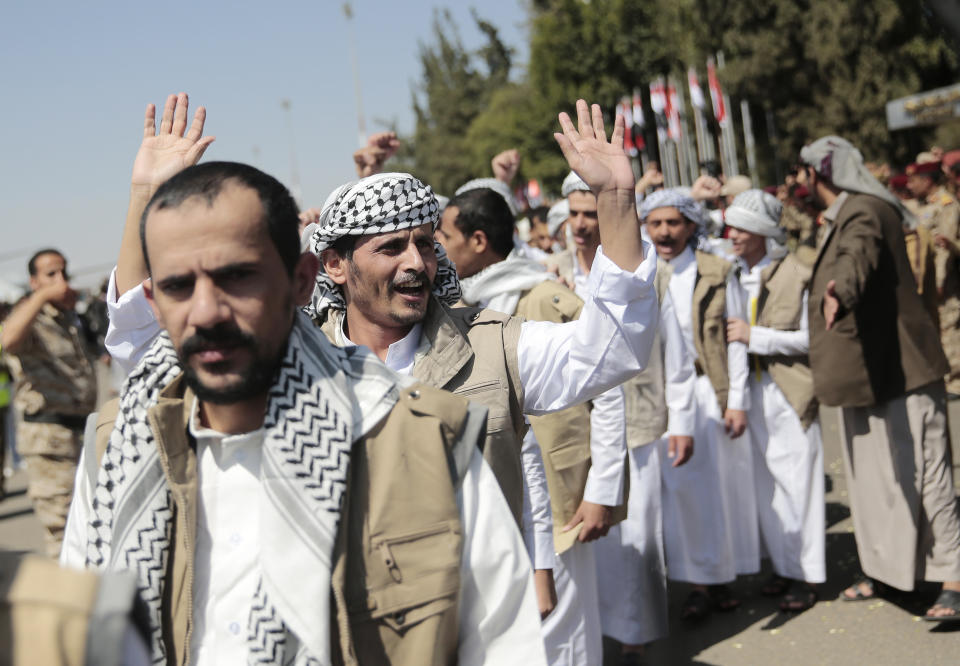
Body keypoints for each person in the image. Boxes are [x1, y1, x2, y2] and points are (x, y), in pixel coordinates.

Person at [62, 154, 547, 664]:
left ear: (301, 280)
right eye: (180, 285)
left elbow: (502, 645)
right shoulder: (116, 452)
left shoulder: (424, 441)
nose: (206, 311)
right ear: (154, 302)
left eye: (237, 276)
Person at [438, 183, 628, 666]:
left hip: (560, 492)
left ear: (478, 241)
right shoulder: (456, 309)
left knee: (564, 631)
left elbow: (606, 385)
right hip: (504, 494)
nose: (436, 248)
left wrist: (602, 488)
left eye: (442, 234)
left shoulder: (540, 297)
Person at [798, 135, 960, 622]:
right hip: (868, 371)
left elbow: (857, 256)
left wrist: (839, 291)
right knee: (875, 481)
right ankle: (888, 573)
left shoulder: (866, 209)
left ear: (816, 174)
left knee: (929, 474)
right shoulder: (854, 209)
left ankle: (953, 576)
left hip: (904, 368)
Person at [641, 188, 757, 621]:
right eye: (656, 224)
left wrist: (737, 401)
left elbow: (736, 342)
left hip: (710, 394)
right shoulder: (641, 272)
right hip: (662, 398)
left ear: (692, 226)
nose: (665, 232)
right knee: (679, 494)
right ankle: (699, 583)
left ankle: (718, 577)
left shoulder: (717, 271)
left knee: (713, 493)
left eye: (673, 223)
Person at [592, 225, 697, 661]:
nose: (581, 226)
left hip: (641, 424)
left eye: (590, 214)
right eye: (574, 215)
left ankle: (636, 637)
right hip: (584, 433)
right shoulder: (555, 279)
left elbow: (678, 356)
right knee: (597, 545)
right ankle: (598, 632)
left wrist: (683, 421)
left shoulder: (656, 278)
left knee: (638, 533)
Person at [723, 189, 825, 612]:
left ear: (763, 233)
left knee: (799, 484)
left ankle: (807, 575)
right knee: (766, 487)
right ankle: (783, 568)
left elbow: (811, 338)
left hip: (791, 392)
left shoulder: (796, 272)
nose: (732, 236)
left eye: (741, 229)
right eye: (730, 227)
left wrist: (755, 337)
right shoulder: (731, 274)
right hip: (754, 394)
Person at [0, 249, 97, 557]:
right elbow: (8, 340)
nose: (60, 280)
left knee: (89, 525)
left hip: (79, 433)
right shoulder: (31, 316)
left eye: (63, 273)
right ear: (34, 281)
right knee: (64, 533)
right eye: (50, 274)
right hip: (48, 439)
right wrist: (39, 298)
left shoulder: (67, 318)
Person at [907, 159, 960, 397]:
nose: (910, 185)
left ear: (927, 181)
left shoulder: (946, 204)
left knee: (948, 325)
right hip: (928, 274)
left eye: (914, 180)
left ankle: (955, 381)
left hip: (944, 275)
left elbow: (944, 247)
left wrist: (938, 280)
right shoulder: (924, 205)